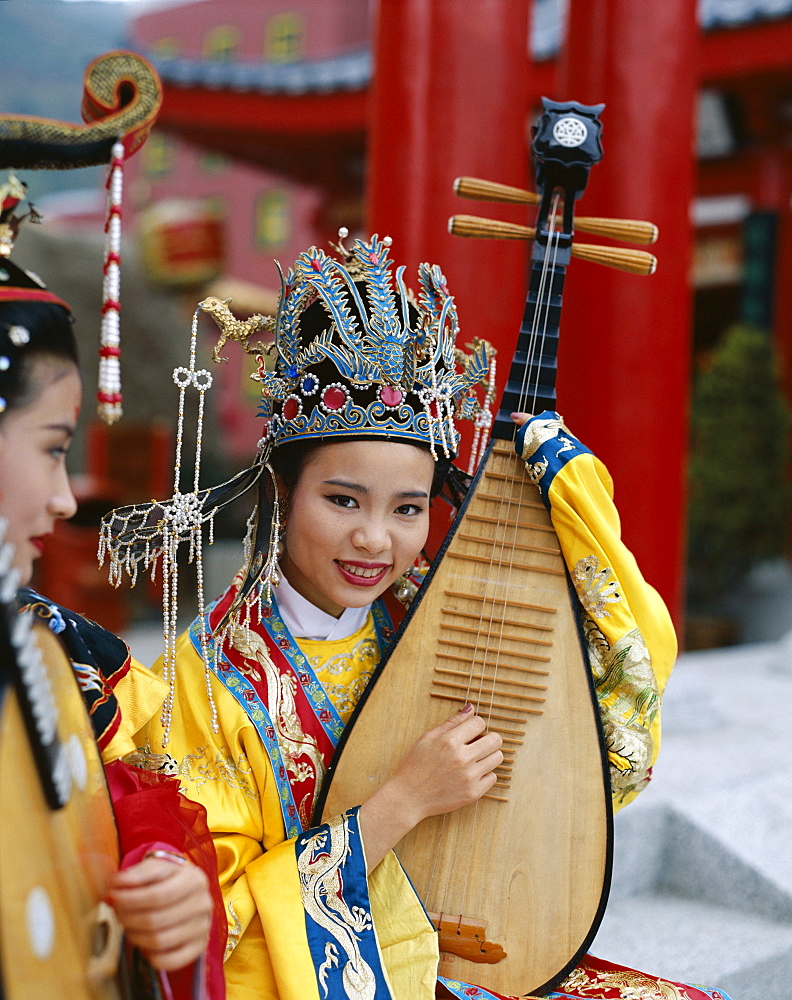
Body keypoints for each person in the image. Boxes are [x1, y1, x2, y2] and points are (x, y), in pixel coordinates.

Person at [115, 235, 730, 1000]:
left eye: (408, 508)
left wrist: (576, 508)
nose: (377, 539)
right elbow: (221, 923)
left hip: (485, 948)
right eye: (343, 500)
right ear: (280, 491)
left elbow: (610, 744)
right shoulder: (198, 684)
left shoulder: (435, 624)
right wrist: (402, 801)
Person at [0, 211, 226, 999]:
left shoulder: (73, 655)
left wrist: (165, 881)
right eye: (53, 447)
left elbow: (142, 806)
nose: (66, 497)